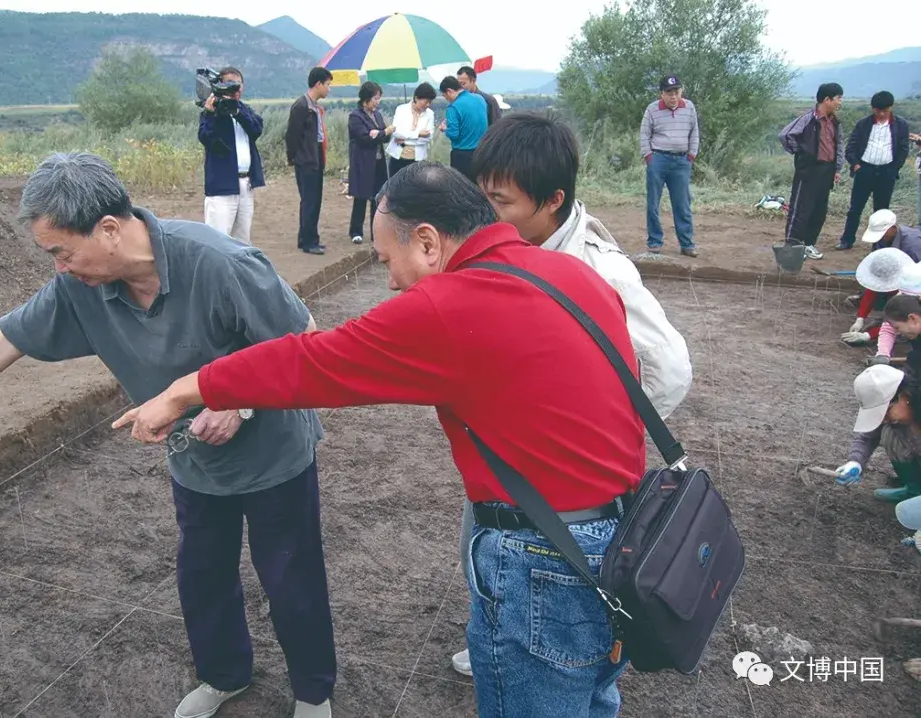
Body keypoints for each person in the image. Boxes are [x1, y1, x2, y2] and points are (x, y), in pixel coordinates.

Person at [114, 161, 646, 718]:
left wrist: (184, 391)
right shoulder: (574, 274)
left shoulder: (451, 305)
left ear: (428, 242)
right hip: (625, 539)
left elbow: (314, 362)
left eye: (389, 260)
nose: (391, 281)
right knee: (592, 698)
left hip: (544, 557)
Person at [0, 152, 336, 718]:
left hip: (273, 457)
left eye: (61, 251)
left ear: (109, 229)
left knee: (291, 576)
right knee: (203, 576)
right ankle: (224, 676)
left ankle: (313, 693)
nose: (59, 267)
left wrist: (237, 402)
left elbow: (305, 340)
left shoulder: (220, 263)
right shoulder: (81, 288)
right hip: (195, 462)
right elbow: (8, 335)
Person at [452, 109, 692, 678]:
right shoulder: (520, 250)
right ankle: (498, 630)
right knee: (488, 546)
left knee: (555, 571)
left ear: (553, 198)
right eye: (483, 195)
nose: (489, 212)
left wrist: (601, 428)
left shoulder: (597, 268)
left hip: (560, 478)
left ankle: (541, 650)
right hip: (510, 461)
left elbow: (670, 369)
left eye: (502, 201)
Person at [835, 364, 921, 504]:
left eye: (886, 411)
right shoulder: (897, 417)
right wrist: (855, 462)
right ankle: (915, 491)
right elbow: (867, 438)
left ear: (904, 397)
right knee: (889, 432)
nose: (884, 418)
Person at [836, 91, 911, 250]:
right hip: (865, 170)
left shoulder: (901, 125)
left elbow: (903, 150)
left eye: (885, 110)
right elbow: (851, 147)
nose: (882, 114)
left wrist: (894, 168)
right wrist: (856, 165)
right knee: (855, 208)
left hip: (886, 172)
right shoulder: (863, 123)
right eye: (878, 110)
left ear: (891, 107)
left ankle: (879, 244)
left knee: (882, 210)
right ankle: (847, 240)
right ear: (873, 109)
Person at [198, 67, 265, 245]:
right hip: (221, 185)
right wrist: (211, 114)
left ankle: (238, 273)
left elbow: (256, 129)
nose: (235, 89)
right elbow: (206, 138)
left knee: (242, 240)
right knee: (217, 240)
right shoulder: (211, 111)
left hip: (246, 183)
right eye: (229, 84)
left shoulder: (244, 110)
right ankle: (214, 273)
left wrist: (237, 111)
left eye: (238, 85)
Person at [779, 82, 845, 261]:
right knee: (801, 209)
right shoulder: (808, 119)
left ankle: (808, 244)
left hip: (827, 170)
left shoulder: (835, 122)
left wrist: (837, 168)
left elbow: (838, 145)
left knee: (819, 210)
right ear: (827, 99)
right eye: (838, 98)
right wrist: (801, 152)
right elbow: (785, 135)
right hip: (809, 170)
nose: (840, 102)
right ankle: (792, 246)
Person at [639, 74, 700, 257]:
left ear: (681, 91)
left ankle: (687, 244)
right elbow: (644, 134)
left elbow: (694, 132)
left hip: (682, 161)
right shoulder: (652, 109)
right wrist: (649, 157)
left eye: (676, 91)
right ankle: (655, 243)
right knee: (653, 204)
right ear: (662, 94)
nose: (673, 96)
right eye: (669, 92)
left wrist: (691, 155)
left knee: (683, 204)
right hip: (658, 159)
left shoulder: (689, 107)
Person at [842, 213, 921, 346]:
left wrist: (869, 335)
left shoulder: (914, 247)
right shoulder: (884, 244)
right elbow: (875, 283)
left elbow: (902, 312)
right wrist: (860, 317)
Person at [286, 67, 333, 256]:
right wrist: (294, 157)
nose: (329, 89)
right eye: (328, 85)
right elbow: (292, 135)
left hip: (316, 157)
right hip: (306, 160)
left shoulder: (314, 106)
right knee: (310, 201)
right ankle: (308, 242)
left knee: (314, 199)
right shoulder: (301, 106)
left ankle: (308, 237)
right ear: (318, 84)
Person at [347, 81, 394, 244]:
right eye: (375, 98)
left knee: (377, 197)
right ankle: (356, 231)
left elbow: (385, 136)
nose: (377, 101)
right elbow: (364, 138)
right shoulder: (355, 116)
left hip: (378, 163)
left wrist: (381, 133)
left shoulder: (377, 115)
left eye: (378, 98)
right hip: (363, 162)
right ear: (366, 99)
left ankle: (376, 232)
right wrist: (382, 133)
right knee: (360, 196)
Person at [841, 247, 914, 347]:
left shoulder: (911, 291)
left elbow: (899, 321)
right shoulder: (891, 275)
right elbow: (871, 293)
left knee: (904, 330)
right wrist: (860, 318)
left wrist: (869, 335)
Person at [437, 75, 488, 181]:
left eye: (445, 96)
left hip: (462, 156)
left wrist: (445, 129)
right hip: (482, 152)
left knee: (461, 189)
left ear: (449, 91)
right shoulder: (480, 99)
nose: (447, 100)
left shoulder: (454, 107)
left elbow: (454, 134)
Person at [386, 82, 436, 177]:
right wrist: (418, 134)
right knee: (395, 187)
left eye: (430, 102)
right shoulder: (401, 110)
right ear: (416, 98)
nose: (428, 105)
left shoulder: (430, 114)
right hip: (398, 156)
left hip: (418, 159)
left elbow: (428, 138)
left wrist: (405, 140)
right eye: (426, 102)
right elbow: (396, 132)